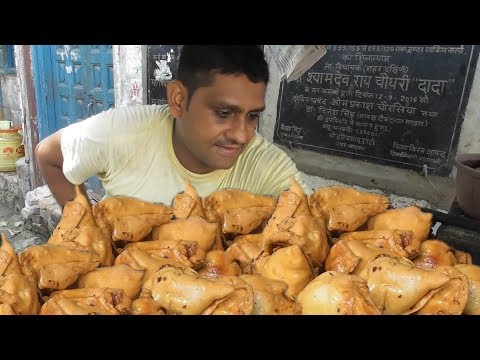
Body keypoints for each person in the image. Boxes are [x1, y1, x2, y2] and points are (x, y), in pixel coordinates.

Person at [35, 45, 311, 208]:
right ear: (178, 99)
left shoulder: (267, 167)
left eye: (252, 116)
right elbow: (48, 155)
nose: (242, 135)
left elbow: (316, 218)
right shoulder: (119, 134)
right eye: (224, 112)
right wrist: (86, 228)